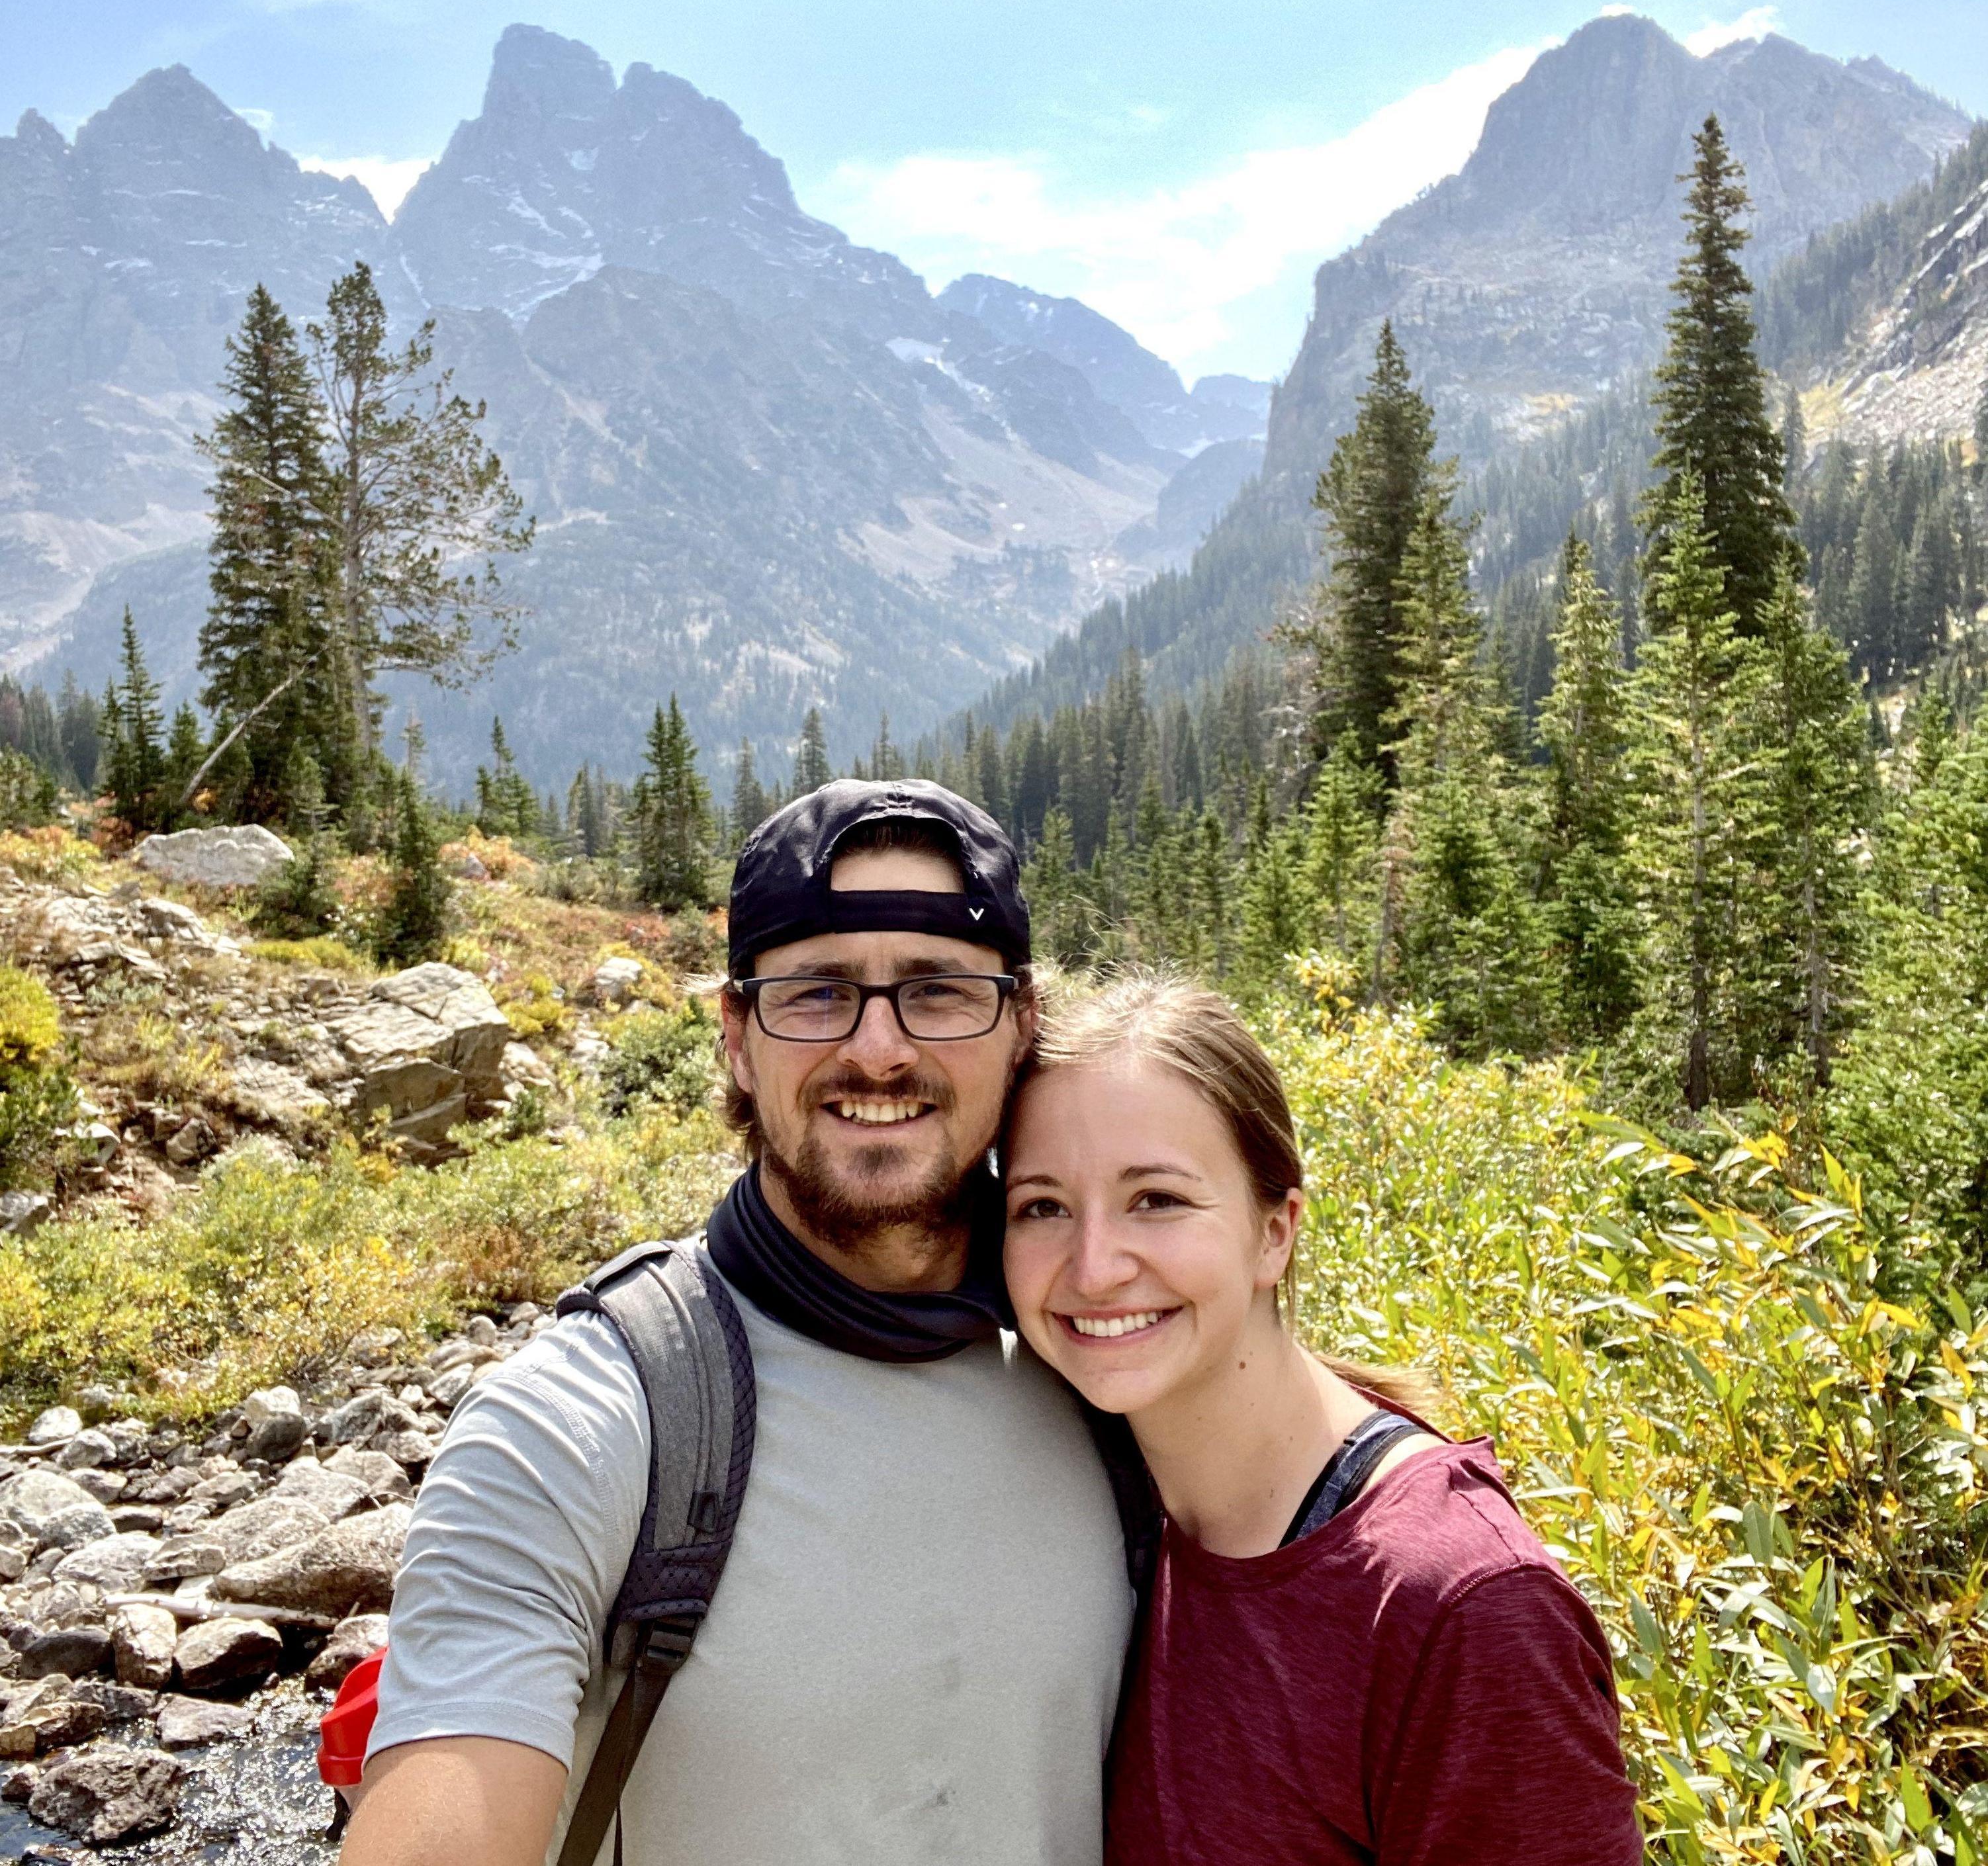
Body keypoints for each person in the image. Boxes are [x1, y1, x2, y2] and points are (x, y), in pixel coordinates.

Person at [339, 780, 1132, 1866]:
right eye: (818, 993)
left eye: (941, 991)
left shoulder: (1113, 1365)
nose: (881, 1050)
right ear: (736, 1033)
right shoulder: (579, 1428)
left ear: (1023, 1025)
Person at [1002, 973, 1645, 1866]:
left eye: (1157, 1199)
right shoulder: (1085, 1495)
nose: (1094, 1263)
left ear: (1276, 1231)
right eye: (1043, 1207)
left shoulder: (1457, 1608)